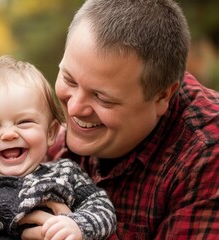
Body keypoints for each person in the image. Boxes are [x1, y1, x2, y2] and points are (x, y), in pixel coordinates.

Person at [21, 0, 219, 239]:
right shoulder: (51, 142)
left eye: (102, 98)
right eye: (69, 80)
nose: (73, 109)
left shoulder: (206, 153)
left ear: (162, 95)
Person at [0, 56, 116, 240]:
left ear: (50, 133)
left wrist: (78, 226)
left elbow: (102, 208)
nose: (9, 134)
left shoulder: (66, 174)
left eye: (24, 122)